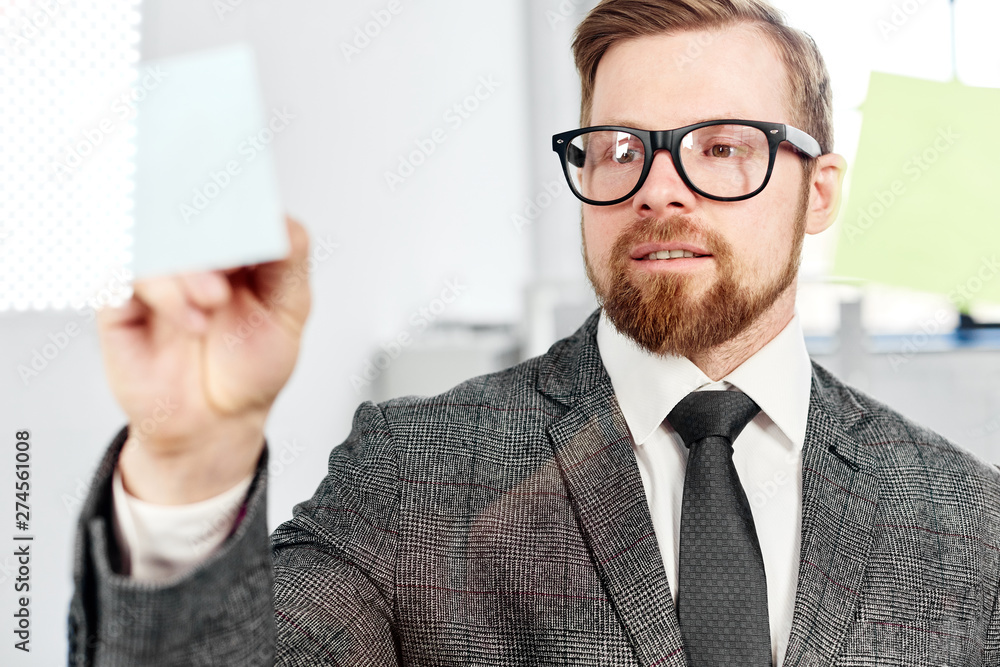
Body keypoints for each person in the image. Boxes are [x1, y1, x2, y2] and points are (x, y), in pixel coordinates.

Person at [69, 0, 1000, 665]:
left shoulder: (972, 523)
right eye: (618, 148)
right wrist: (189, 466)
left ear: (820, 190)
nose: (657, 188)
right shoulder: (413, 473)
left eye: (721, 146)